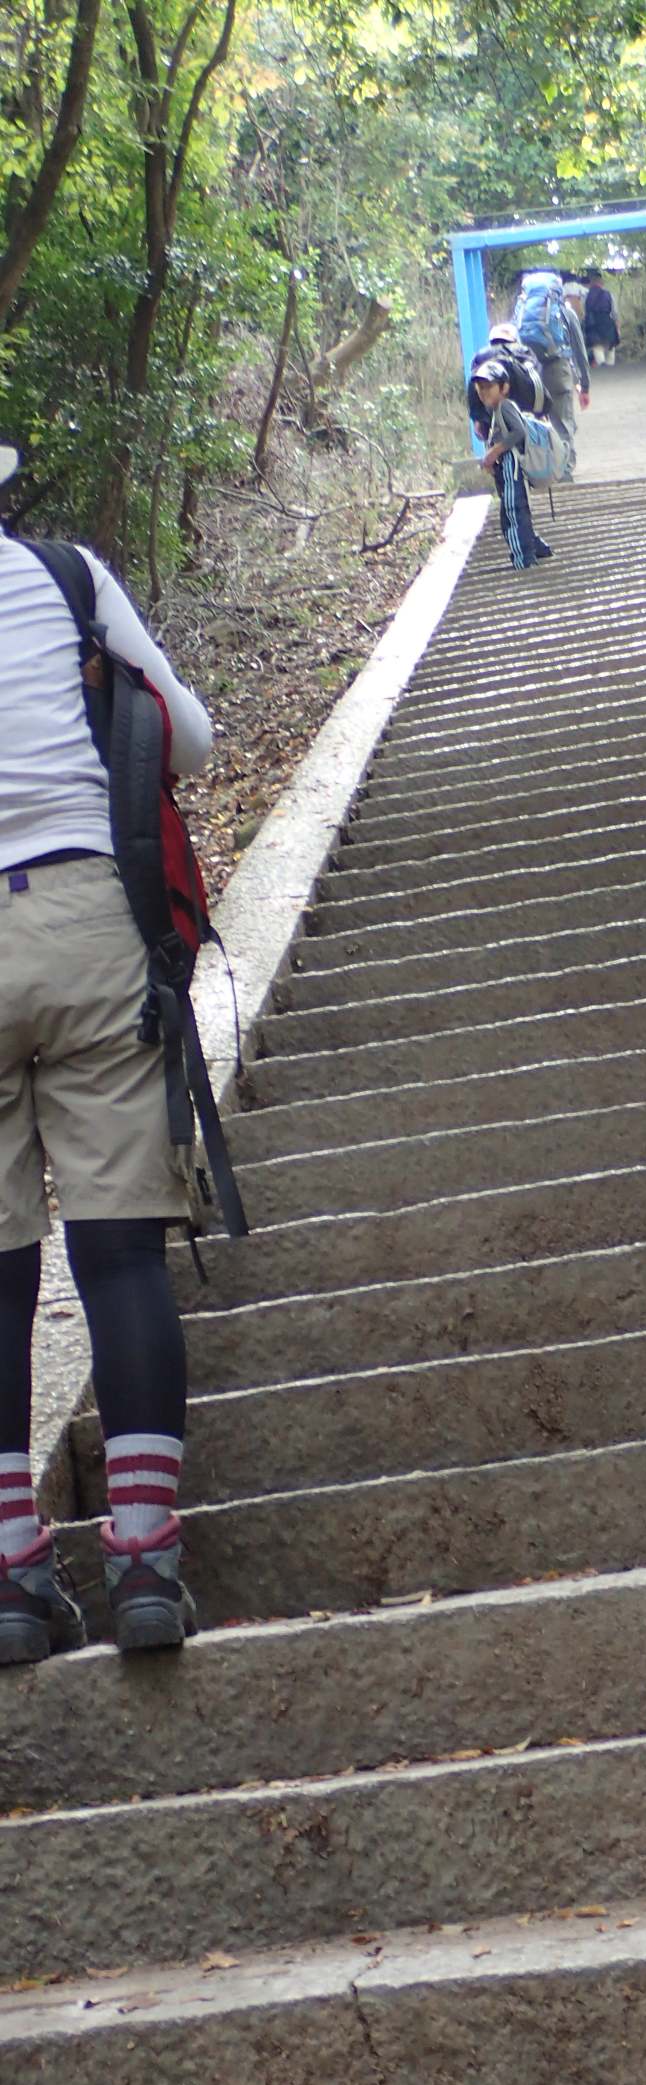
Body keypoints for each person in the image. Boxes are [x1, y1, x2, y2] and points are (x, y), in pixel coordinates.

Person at [0, 441, 213, 1664]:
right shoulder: (65, 577)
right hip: (86, 918)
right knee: (120, 1254)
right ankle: (141, 1559)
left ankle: (13, 1579)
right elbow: (187, 741)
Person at [467, 354, 554, 571]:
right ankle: (535, 549)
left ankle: (523, 559)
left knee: (513, 511)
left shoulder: (505, 406)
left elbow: (519, 432)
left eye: (489, 387)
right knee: (513, 511)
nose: (484, 392)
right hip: (506, 467)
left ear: (504, 387)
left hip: (512, 466)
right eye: (480, 388)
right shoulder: (493, 410)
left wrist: (495, 451)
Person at [512, 268, 590, 462]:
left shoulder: (521, 311)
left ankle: (537, 467)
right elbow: (579, 352)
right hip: (557, 369)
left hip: (528, 372)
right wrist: (584, 385)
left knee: (532, 420)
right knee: (562, 422)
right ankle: (565, 468)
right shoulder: (565, 312)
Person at [583, 270, 621, 367]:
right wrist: (617, 327)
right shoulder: (608, 294)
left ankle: (601, 366)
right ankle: (610, 366)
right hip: (607, 322)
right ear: (601, 283)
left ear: (591, 283)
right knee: (610, 346)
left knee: (597, 346)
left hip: (592, 323)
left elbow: (584, 311)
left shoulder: (586, 295)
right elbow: (615, 312)